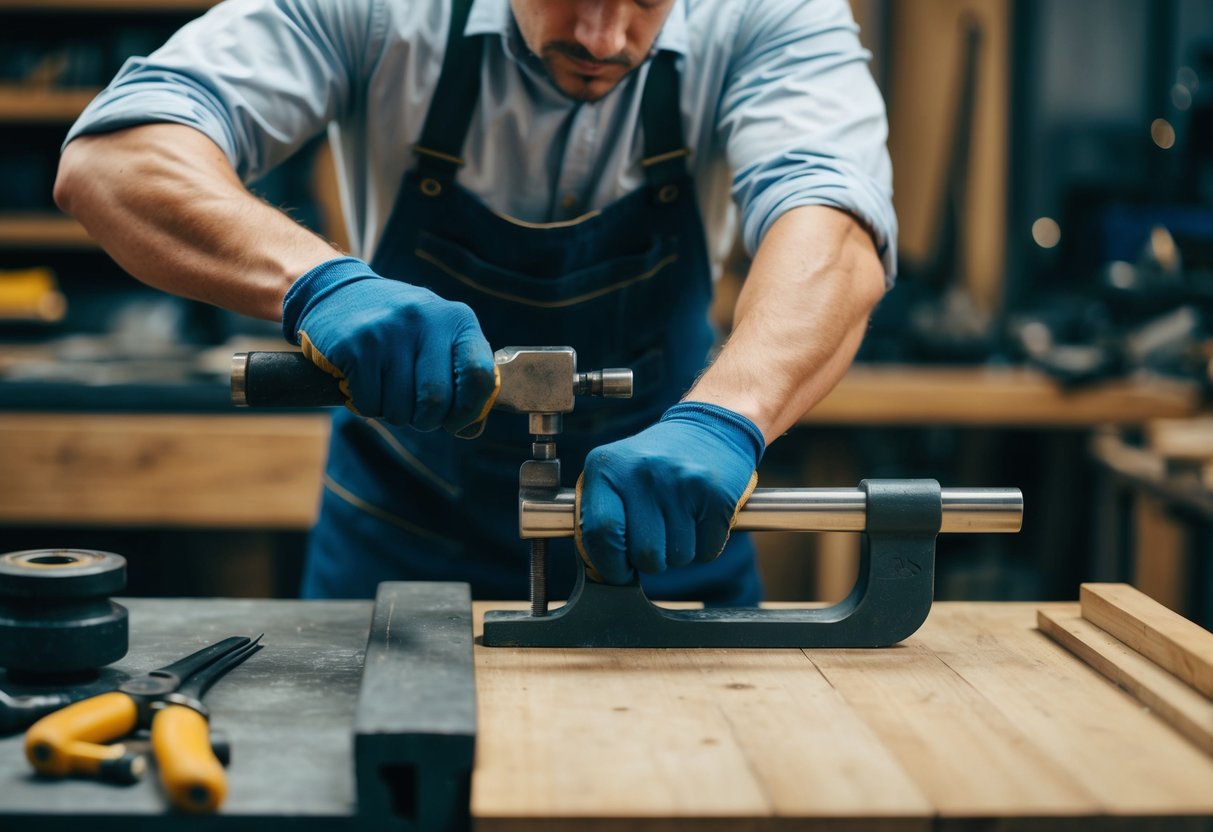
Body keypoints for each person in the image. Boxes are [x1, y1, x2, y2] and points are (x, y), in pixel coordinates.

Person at [54, 0, 894, 604]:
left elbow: (835, 227)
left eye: (645, 0)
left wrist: (726, 417)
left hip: (669, 535)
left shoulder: (773, 16)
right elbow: (116, 157)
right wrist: (320, 283)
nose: (604, 36)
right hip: (396, 553)